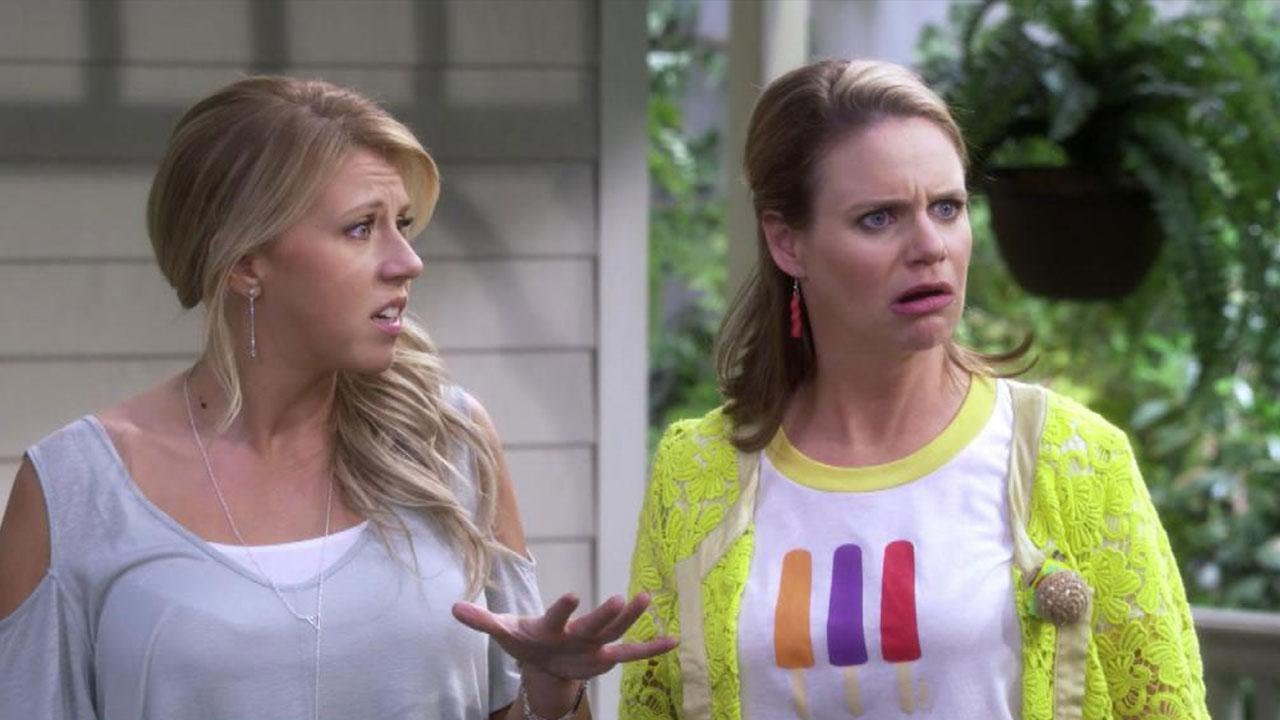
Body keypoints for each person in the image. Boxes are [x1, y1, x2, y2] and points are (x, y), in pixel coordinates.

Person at [0, 76, 675, 720]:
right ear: (245, 262)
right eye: (361, 227)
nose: (407, 261)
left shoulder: (449, 442)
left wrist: (550, 693)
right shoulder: (75, 489)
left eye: (402, 223)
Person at [619, 59, 1207, 720]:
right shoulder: (697, 475)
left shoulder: (1072, 461)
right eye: (879, 218)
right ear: (788, 243)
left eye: (948, 208)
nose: (931, 246)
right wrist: (554, 700)